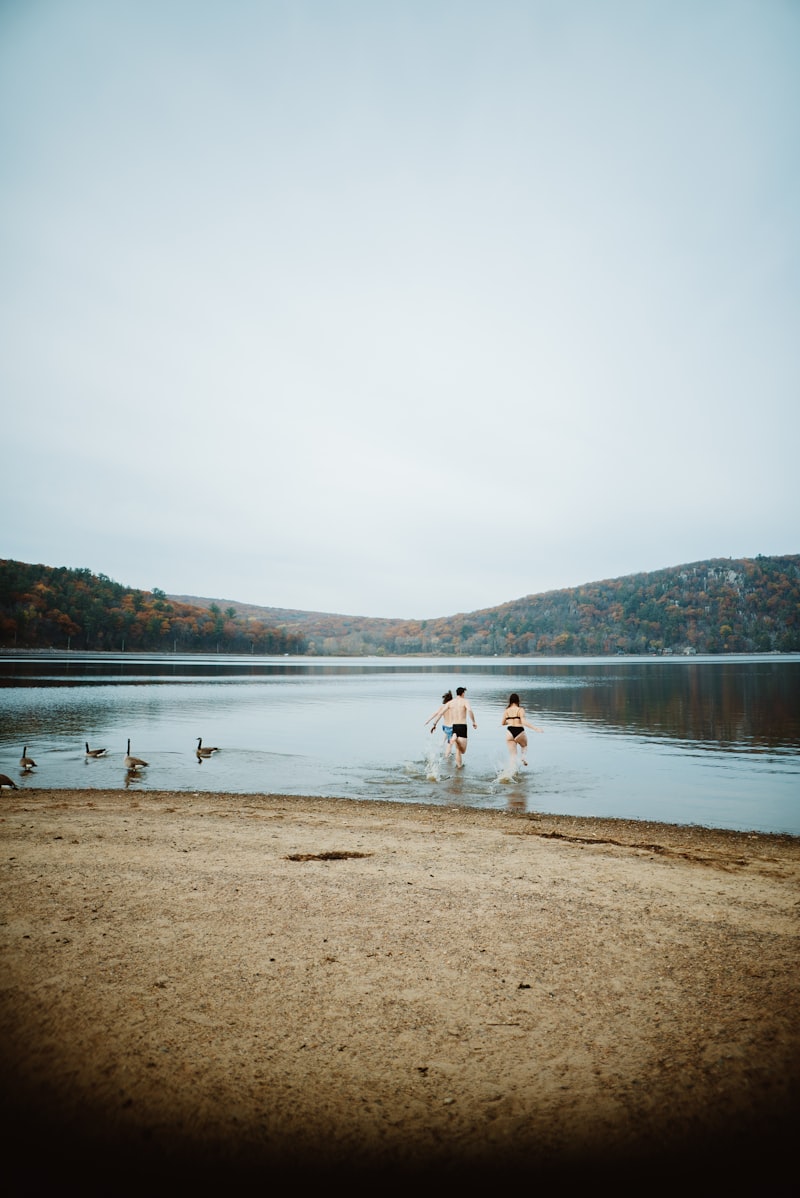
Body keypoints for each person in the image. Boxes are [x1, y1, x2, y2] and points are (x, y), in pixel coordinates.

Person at [501, 692, 543, 769]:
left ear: (510, 701)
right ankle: (523, 758)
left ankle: (511, 772)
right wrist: (535, 728)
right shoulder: (520, 709)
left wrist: (510, 721)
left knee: (512, 756)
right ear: (518, 701)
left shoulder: (506, 710)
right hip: (519, 731)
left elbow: (503, 723)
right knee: (524, 746)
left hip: (509, 732)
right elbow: (523, 722)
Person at [450, 686, 477, 768]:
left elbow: (441, 712)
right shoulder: (465, 701)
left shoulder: (452, 702)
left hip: (454, 726)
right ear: (462, 693)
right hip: (462, 726)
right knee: (463, 751)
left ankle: (459, 766)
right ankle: (456, 739)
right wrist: (473, 721)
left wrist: (434, 724)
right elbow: (469, 710)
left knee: (457, 749)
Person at [424, 690, 454, 756]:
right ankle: (448, 757)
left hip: (445, 727)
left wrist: (428, 720)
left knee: (446, 736)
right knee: (450, 745)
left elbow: (436, 714)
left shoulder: (442, 707)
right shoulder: (453, 707)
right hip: (451, 728)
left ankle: (442, 743)